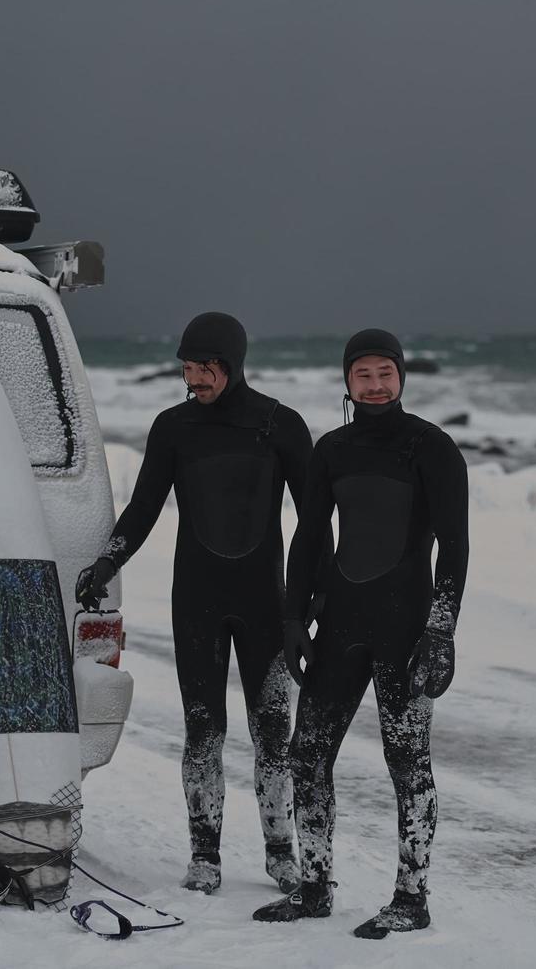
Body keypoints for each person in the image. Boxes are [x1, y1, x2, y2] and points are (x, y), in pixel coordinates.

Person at [75, 311, 317, 895]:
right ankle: (204, 854)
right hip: (198, 601)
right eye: (187, 369)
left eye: (204, 369)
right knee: (203, 730)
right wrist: (109, 560)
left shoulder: (280, 426)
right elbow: (145, 506)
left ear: (230, 365)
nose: (195, 380)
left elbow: (315, 523)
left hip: (267, 601)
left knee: (272, 731)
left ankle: (281, 851)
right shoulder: (174, 428)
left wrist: (311, 604)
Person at [252, 328, 469, 939]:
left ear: (401, 377)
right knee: (307, 754)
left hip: (407, 627)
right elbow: (311, 536)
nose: (375, 385)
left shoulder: (433, 448)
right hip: (342, 622)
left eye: (385, 373)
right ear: (346, 381)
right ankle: (315, 885)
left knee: (407, 761)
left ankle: (412, 895)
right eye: (362, 375)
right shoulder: (333, 450)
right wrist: (295, 617)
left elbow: (455, 549)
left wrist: (440, 631)